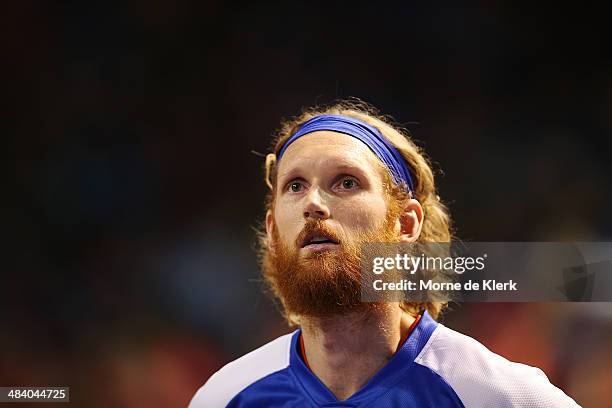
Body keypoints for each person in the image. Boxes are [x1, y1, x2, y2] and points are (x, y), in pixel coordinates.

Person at [188, 100, 580, 407]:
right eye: (294, 186)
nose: (313, 204)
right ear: (273, 231)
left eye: (345, 182)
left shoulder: (499, 396)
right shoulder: (225, 397)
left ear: (405, 224)